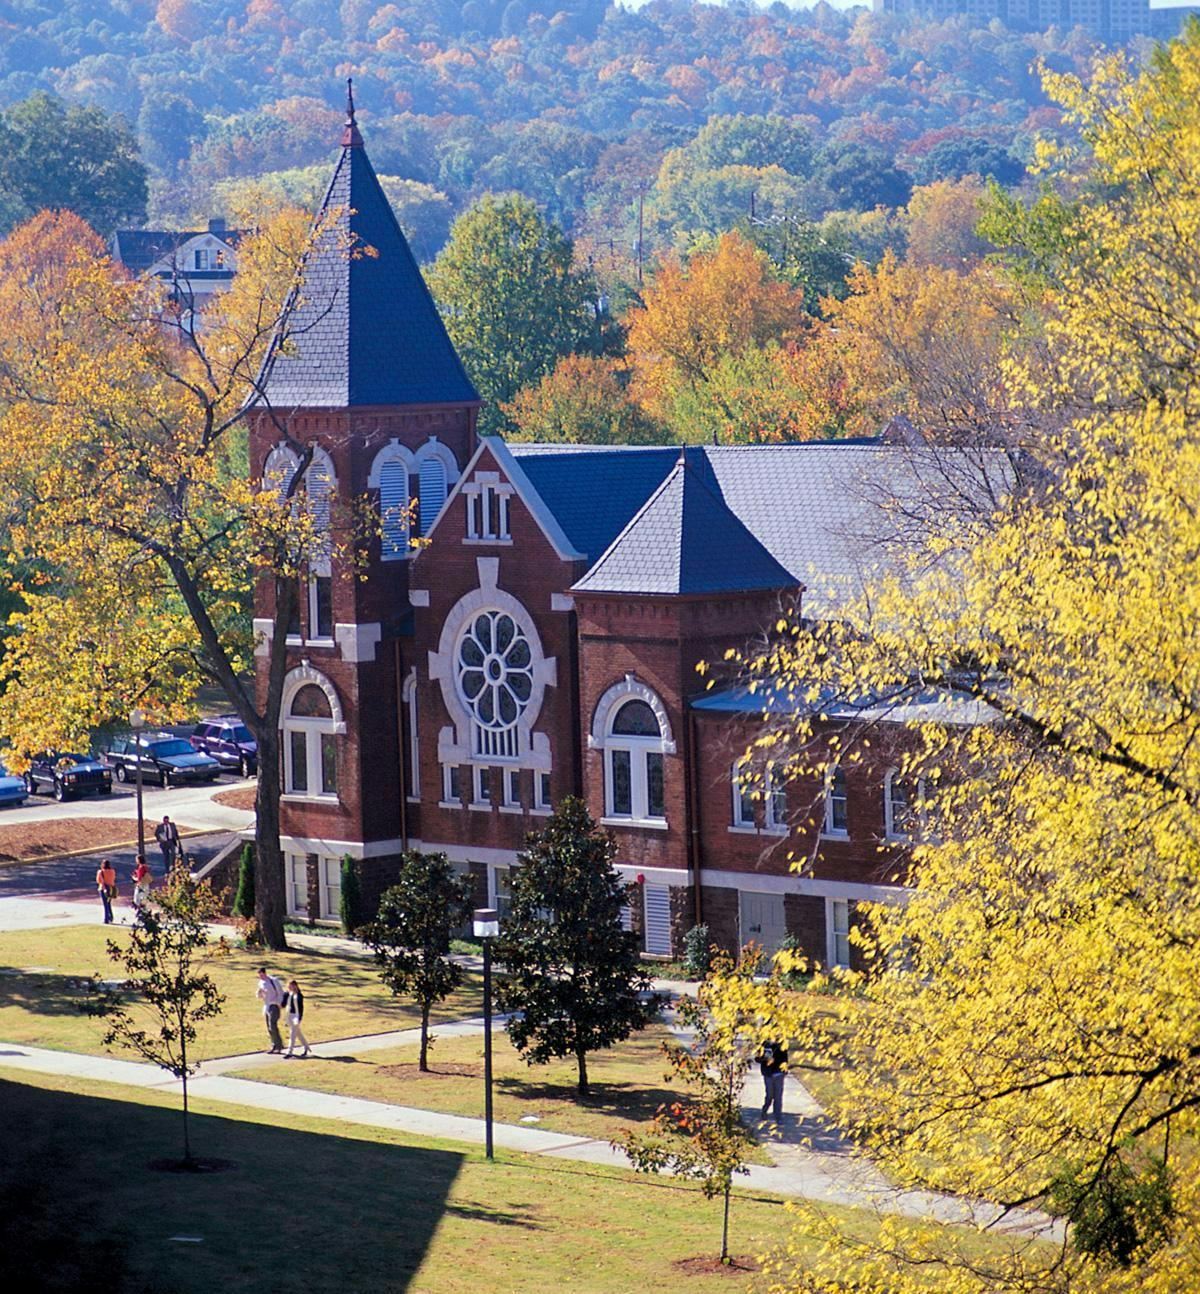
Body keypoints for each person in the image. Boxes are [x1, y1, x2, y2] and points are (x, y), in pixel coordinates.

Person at [256, 967, 285, 1053]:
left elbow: (280, 992)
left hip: (274, 1004)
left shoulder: (273, 981)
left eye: (262, 975)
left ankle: (278, 1045)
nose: (261, 977)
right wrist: (259, 993)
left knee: (272, 1025)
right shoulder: (261, 983)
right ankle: (274, 1045)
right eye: (259, 975)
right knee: (269, 1027)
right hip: (267, 1006)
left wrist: (279, 1003)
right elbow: (260, 997)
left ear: (265, 973)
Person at [759, 1039, 787, 1122]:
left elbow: (785, 1059)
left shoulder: (782, 1044)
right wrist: (762, 1059)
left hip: (779, 1073)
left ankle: (778, 1116)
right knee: (769, 1095)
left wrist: (785, 1070)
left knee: (778, 1096)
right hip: (768, 1074)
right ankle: (764, 1111)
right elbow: (759, 1057)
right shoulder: (765, 1044)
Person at [283, 979, 310, 1059]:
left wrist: (299, 1018)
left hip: (296, 1016)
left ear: (295, 986)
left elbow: (301, 1008)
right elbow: (283, 1004)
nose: (290, 988)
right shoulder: (288, 994)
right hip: (289, 1015)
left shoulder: (299, 996)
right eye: (289, 986)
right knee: (298, 1033)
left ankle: (289, 1052)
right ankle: (306, 1047)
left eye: (291, 986)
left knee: (292, 1034)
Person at [96, 859, 117, 924]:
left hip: (103, 889)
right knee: (108, 903)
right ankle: (111, 917)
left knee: (105, 904)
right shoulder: (112, 871)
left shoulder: (101, 872)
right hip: (111, 888)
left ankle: (106, 919)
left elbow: (99, 881)